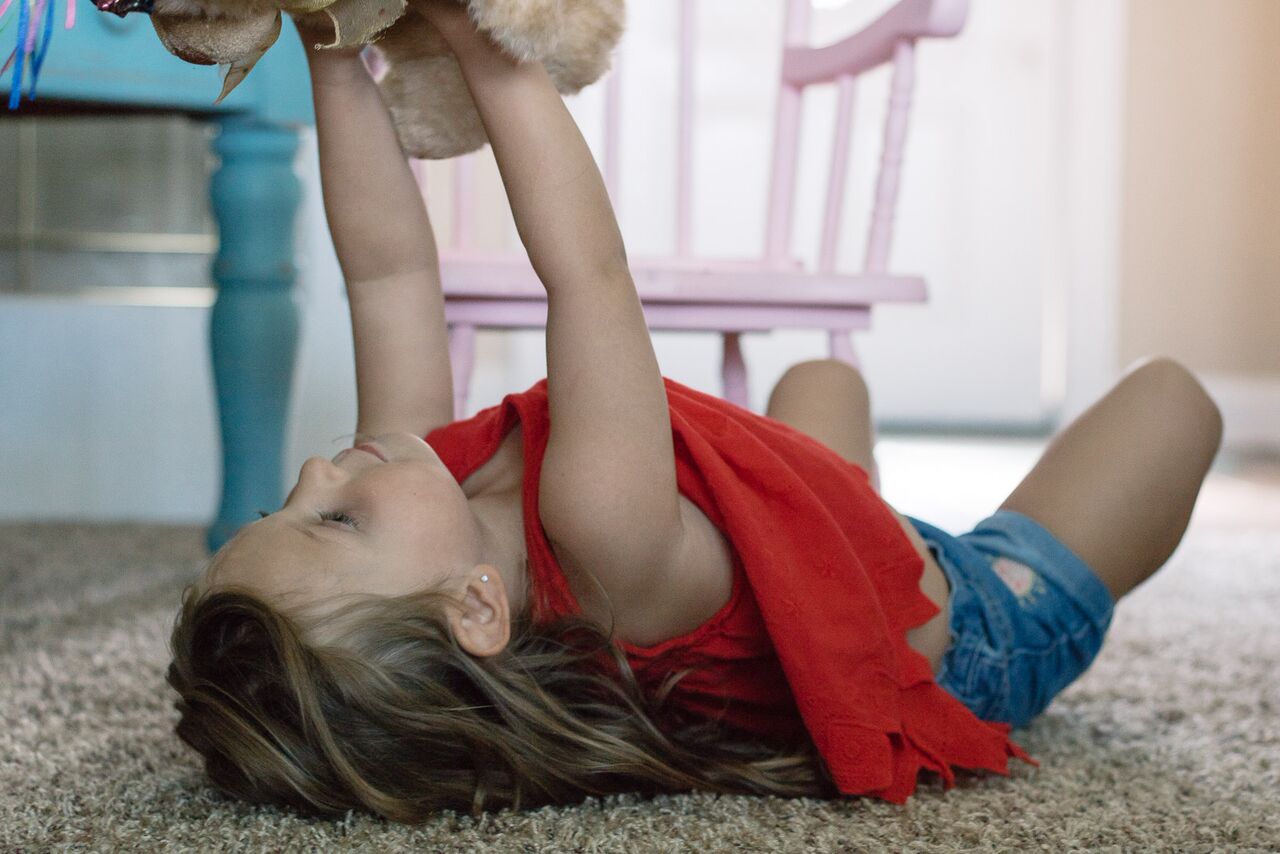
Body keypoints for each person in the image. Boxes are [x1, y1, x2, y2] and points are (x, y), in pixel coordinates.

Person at [166, 0, 1224, 823]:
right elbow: (587, 273)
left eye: (284, 499)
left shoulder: (418, 485)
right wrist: (475, 32)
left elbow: (387, 275)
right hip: (962, 629)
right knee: (1172, 402)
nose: (316, 471)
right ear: (476, 608)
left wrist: (328, 36)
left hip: (805, 544)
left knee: (819, 380)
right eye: (334, 519)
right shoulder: (600, 528)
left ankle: (845, 543)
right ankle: (912, 578)